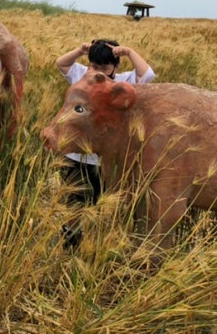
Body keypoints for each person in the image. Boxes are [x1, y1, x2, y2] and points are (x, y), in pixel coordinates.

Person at [54, 39, 155, 247]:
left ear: (116, 67)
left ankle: (98, 245)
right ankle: (71, 244)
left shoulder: (123, 83)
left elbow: (148, 74)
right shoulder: (81, 76)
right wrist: (80, 50)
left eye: (105, 67)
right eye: (95, 66)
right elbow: (61, 63)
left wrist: (129, 51)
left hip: (107, 160)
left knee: (104, 205)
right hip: (77, 155)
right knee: (74, 202)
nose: (99, 72)